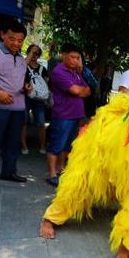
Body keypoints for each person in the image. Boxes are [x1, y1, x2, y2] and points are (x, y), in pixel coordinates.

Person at [0, 20, 29, 191]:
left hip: (17, 108)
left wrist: (25, 87)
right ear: (2, 34)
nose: (16, 43)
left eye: (20, 40)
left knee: (12, 143)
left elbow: (17, 80)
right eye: (12, 39)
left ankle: (9, 172)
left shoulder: (21, 58)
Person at [45, 43, 91, 187]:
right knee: (56, 144)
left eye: (78, 58)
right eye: (72, 57)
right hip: (63, 115)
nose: (76, 61)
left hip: (76, 115)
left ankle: (61, 170)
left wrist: (81, 90)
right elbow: (77, 91)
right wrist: (81, 90)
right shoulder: (59, 72)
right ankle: (52, 174)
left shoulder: (76, 73)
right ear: (63, 55)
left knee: (67, 146)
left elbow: (88, 90)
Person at [21, 44, 49, 155]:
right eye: (32, 52)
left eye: (36, 53)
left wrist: (47, 97)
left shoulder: (43, 69)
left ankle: (42, 146)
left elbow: (46, 84)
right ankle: (24, 146)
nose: (34, 55)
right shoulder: (22, 66)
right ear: (28, 53)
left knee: (41, 123)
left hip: (39, 99)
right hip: (24, 96)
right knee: (23, 122)